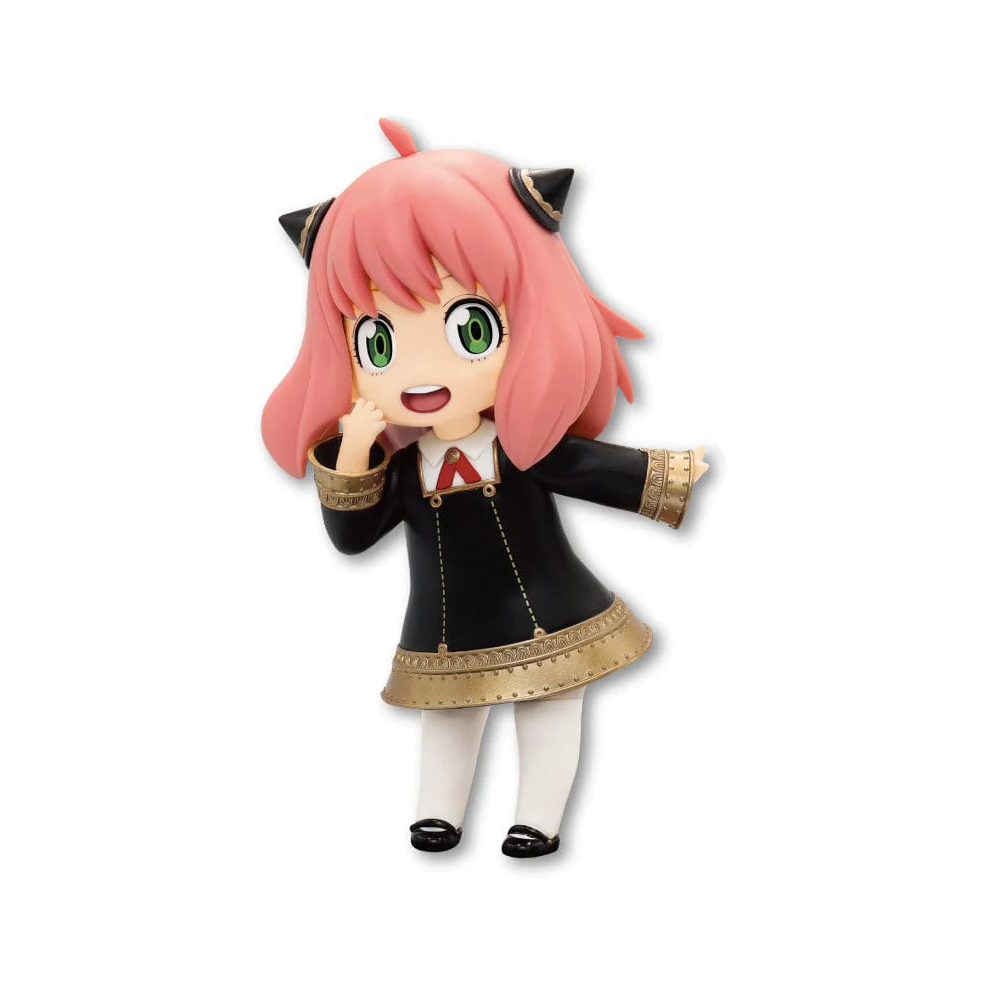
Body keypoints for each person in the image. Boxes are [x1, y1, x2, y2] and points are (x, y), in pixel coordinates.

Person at [262, 119, 708, 858]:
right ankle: (437, 813)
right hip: (446, 627)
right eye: (379, 341)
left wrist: (670, 479)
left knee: (552, 711)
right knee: (449, 719)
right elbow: (352, 538)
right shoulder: (404, 465)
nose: (419, 372)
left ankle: (538, 819)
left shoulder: (525, 446)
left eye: (471, 330)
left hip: (551, 611)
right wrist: (357, 448)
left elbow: (587, 468)